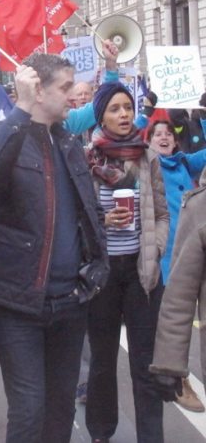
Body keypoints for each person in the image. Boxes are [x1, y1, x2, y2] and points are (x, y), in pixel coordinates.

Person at [0, 53, 108, 443]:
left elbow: (88, 208)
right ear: (39, 89)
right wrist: (21, 109)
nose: (72, 97)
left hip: (70, 300)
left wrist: (99, 265)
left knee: (61, 404)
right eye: (65, 88)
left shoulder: (68, 142)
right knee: (30, 407)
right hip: (16, 303)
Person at [84, 82, 168, 443]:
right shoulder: (85, 159)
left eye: (127, 108)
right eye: (115, 108)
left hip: (141, 273)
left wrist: (156, 247)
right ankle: (101, 433)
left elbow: (162, 213)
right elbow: (76, 217)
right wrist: (103, 222)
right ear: (101, 114)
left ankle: (152, 436)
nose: (123, 115)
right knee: (102, 363)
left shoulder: (147, 156)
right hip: (102, 276)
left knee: (146, 364)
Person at [146, 119, 206, 412]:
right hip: (167, 251)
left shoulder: (184, 162)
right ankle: (179, 379)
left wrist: (204, 116)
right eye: (158, 134)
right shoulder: (146, 166)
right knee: (171, 309)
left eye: (169, 133)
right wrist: (145, 114)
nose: (165, 137)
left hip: (186, 247)